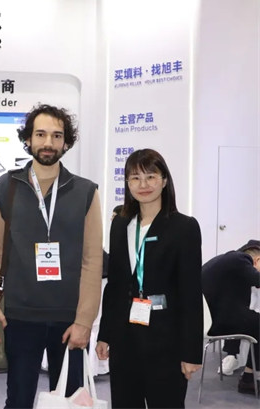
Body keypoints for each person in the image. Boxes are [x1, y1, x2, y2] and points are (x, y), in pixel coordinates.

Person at [0, 104, 103, 408]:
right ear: (28, 139)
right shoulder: (7, 187)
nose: (48, 142)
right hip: (21, 315)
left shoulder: (85, 192)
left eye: (57, 135)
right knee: (18, 400)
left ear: (66, 142)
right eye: (41, 134)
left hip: (69, 317)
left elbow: (92, 260)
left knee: (71, 402)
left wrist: (85, 320)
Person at [96, 148, 203, 408]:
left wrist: (191, 352)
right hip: (124, 337)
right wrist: (105, 334)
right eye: (135, 178)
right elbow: (116, 285)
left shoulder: (184, 227)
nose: (143, 185)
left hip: (166, 340)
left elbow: (190, 293)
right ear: (127, 183)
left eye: (151, 177)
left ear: (164, 181)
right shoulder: (120, 224)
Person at [202, 239, 260, 394]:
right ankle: (248, 379)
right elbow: (257, 279)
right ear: (257, 260)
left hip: (208, 320)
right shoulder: (240, 259)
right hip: (217, 322)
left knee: (251, 320)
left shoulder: (228, 261)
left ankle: (247, 374)